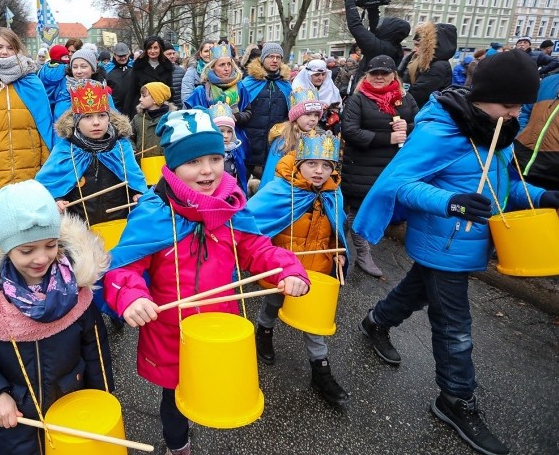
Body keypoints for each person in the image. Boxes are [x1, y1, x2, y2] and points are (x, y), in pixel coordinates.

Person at [353, 49, 559, 455]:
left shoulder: (495, 129)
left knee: (417, 289)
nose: (517, 113)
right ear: (484, 97)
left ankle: (376, 321)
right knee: (454, 326)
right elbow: (402, 184)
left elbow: (500, 191)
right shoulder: (440, 129)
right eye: (510, 104)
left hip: (470, 242)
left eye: (522, 105)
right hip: (442, 241)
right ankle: (455, 399)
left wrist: (541, 195)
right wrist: (451, 202)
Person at [103, 109, 310, 455]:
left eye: (215, 158)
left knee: (210, 384)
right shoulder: (155, 214)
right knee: (175, 396)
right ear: (172, 166)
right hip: (170, 328)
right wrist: (131, 297)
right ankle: (177, 445)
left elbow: (257, 249)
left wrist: (288, 269)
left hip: (218, 323)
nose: (208, 170)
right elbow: (122, 269)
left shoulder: (230, 208)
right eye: (194, 161)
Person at [0, 180, 114, 455]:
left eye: (51, 245)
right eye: (26, 250)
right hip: (16, 422)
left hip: (73, 405)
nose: (41, 258)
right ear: (5, 248)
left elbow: (94, 344)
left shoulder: (75, 288)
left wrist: (102, 396)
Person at [247, 130, 350, 406]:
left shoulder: (333, 192)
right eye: (312, 164)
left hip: (317, 269)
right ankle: (264, 333)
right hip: (282, 269)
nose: (319, 171)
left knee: (315, 323)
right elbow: (251, 224)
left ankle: (321, 370)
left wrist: (339, 249)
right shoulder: (280, 190)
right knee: (272, 302)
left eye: (326, 165)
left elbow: (337, 226)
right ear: (299, 162)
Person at [340, 55, 418, 277]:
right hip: (361, 167)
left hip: (392, 167)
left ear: (394, 75)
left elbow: (422, 123)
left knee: (375, 209)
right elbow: (350, 131)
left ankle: (339, 240)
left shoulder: (405, 98)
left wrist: (409, 126)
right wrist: (387, 139)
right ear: (367, 75)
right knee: (358, 209)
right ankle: (362, 253)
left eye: (384, 73)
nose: (379, 77)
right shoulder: (358, 100)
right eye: (374, 73)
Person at [36, 79, 146, 227]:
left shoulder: (121, 147)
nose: (96, 122)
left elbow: (135, 182)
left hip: (120, 225)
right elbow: (47, 187)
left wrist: (137, 194)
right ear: (76, 121)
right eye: (87, 117)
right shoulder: (65, 150)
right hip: (81, 230)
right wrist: (56, 200)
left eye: (102, 115)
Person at [0, 28, 54, 188]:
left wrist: (46, 167)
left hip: (31, 167)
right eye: (0, 47)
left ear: (17, 50)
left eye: (10, 48)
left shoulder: (32, 82)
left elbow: (44, 128)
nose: (4, 52)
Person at [239, 42, 292, 177]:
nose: (274, 60)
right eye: (270, 56)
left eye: (278, 57)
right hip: (250, 141)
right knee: (242, 179)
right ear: (262, 59)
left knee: (271, 180)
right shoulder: (248, 83)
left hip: (275, 142)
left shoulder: (285, 85)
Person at [260, 87, 323, 189]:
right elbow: (272, 172)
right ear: (296, 116)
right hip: (284, 188)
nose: (313, 119)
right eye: (308, 115)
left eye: (316, 115)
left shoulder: (318, 138)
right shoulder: (283, 141)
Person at [343, 0, 411, 78]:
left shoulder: (380, 48)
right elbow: (376, 30)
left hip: (368, 89)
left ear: (389, 31)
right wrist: (373, 9)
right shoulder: (391, 46)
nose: (379, 27)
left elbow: (355, 26)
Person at [515, 68, 559, 190]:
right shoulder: (548, 81)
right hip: (522, 163)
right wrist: (520, 134)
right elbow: (525, 111)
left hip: (554, 175)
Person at [400, 21, 457, 108]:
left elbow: (417, 94)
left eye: (418, 45)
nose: (414, 49)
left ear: (429, 46)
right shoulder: (424, 62)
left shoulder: (438, 67)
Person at [124, 36, 176, 118]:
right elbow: (131, 91)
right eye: (149, 48)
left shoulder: (167, 67)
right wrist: (127, 114)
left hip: (161, 109)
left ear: (160, 49)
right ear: (146, 50)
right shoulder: (138, 66)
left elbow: (169, 91)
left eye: (155, 48)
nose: (152, 51)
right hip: (141, 108)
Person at [52, 49, 113, 118]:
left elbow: (113, 119)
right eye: (75, 67)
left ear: (93, 69)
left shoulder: (102, 93)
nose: (79, 71)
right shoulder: (64, 93)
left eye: (83, 67)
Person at [291, 59, 343, 134]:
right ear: (308, 75)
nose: (320, 78)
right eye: (317, 74)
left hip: (327, 130)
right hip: (302, 131)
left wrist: (330, 109)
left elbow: (338, 109)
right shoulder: (298, 88)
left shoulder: (331, 88)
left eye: (323, 74)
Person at [209, 101, 246, 192]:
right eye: (221, 131)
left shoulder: (235, 151)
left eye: (229, 131)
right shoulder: (208, 153)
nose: (226, 135)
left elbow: (239, 176)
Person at [131, 81, 175, 157]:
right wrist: (131, 147)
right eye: (140, 96)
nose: (140, 99)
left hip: (164, 164)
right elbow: (128, 136)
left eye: (144, 96)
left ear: (155, 99)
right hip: (141, 164)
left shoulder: (171, 119)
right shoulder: (137, 119)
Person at [37, 44, 70, 116]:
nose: (68, 59)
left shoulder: (43, 69)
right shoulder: (66, 69)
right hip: (60, 106)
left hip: (44, 104)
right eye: (65, 57)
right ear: (58, 57)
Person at [104, 42, 135, 111]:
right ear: (114, 55)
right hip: (115, 109)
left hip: (132, 108)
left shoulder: (134, 66)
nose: (123, 58)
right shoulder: (107, 69)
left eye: (125, 55)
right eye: (120, 56)